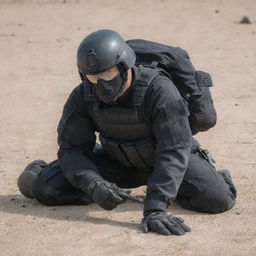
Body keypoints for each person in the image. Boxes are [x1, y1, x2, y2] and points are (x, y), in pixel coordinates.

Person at [17, 29, 237, 236]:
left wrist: (156, 208)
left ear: (124, 66)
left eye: (108, 73)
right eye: (94, 77)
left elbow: (173, 150)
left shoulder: (160, 90)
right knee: (46, 188)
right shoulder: (83, 95)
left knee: (218, 200)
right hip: (117, 159)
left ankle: (216, 178)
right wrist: (94, 184)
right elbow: (72, 149)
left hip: (165, 158)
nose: (101, 83)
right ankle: (40, 169)